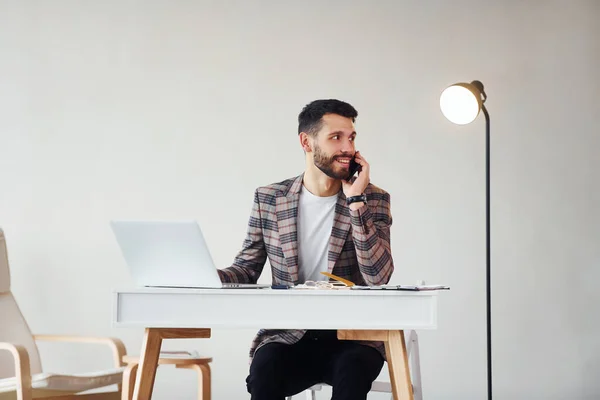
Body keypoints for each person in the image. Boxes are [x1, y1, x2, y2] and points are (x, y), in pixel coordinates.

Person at [218, 99, 394, 400]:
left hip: (352, 338)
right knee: (264, 372)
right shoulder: (271, 198)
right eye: (335, 137)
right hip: (290, 335)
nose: (347, 147)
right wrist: (208, 275)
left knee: (353, 371)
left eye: (351, 137)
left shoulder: (372, 198)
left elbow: (378, 277)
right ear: (306, 142)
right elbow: (246, 269)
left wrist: (355, 202)